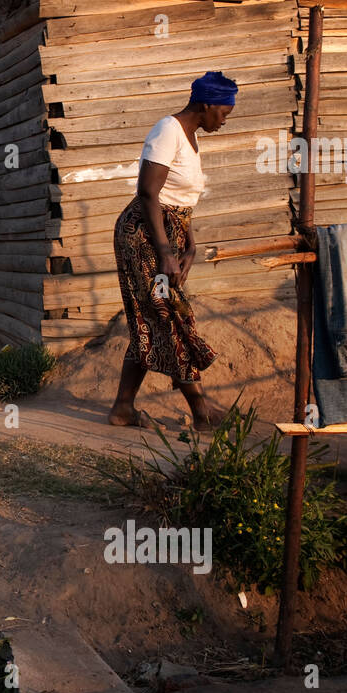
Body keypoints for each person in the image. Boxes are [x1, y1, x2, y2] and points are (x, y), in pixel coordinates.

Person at [107, 71, 236, 431]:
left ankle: (122, 408)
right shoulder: (168, 130)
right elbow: (149, 192)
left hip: (168, 235)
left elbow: (180, 199)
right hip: (143, 236)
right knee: (169, 315)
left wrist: (190, 244)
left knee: (152, 317)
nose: (224, 121)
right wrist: (165, 250)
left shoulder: (191, 139)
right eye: (223, 113)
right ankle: (201, 412)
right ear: (207, 104)